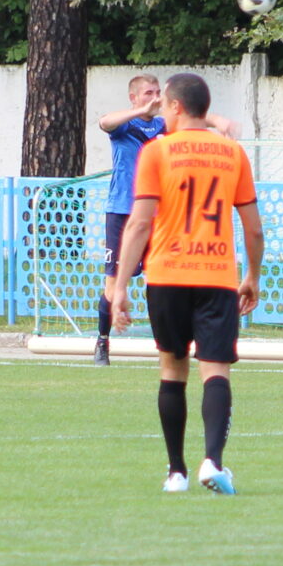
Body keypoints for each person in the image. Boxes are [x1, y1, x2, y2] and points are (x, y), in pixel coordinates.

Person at [106, 72, 264, 495]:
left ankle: (176, 472)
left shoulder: (157, 152)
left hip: (167, 275)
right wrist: (252, 276)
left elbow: (140, 223)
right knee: (215, 369)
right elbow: (253, 229)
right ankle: (212, 462)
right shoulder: (233, 154)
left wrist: (119, 286)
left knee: (172, 368)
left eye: (164, 106)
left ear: (175, 106)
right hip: (216, 277)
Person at [93, 74, 166, 366]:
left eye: (158, 92)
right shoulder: (125, 124)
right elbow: (104, 122)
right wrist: (140, 111)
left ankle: (164, 345)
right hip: (122, 212)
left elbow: (192, 121)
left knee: (158, 282)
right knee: (113, 284)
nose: (155, 97)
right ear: (134, 98)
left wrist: (218, 123)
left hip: (156, 214)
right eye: (149, 92)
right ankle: (102, 341)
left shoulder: (164, 126)